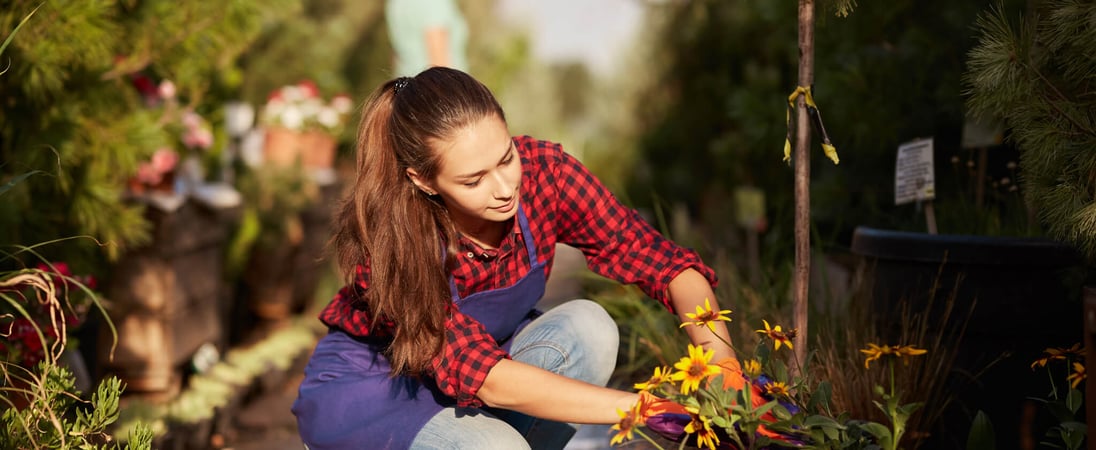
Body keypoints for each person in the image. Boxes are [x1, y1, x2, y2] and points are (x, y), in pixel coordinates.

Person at [291, 67, 736, 450]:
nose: (504, 188)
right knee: (496, 446)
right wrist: (654, 409)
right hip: (380, 391)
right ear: (424, 181)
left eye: (506, 159)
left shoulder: (546, 174)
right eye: (473, 180)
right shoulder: (393, 237)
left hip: (481, 371)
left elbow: (662, 261)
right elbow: (489, 380)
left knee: (590, 328)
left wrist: (723, 369)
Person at [385, 0, 469, 77]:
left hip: (406, 85)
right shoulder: (433, 3)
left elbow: (396, 55)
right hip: (434, 87)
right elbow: (440, 64)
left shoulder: (395, 3)